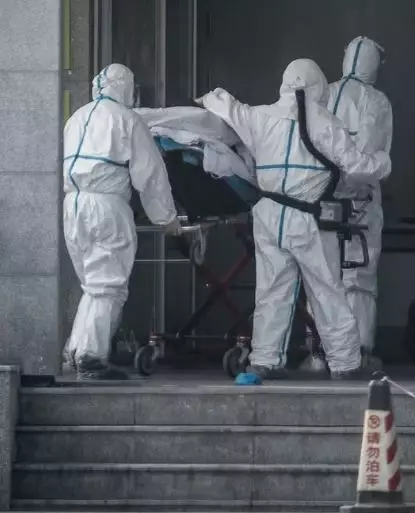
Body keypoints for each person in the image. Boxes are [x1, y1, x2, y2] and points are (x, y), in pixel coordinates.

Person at [197, 58, 391, 381]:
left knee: (271, 292)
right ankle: (345, 363)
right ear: (317, 85)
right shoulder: (325, 122)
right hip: (308, 219)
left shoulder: (260, 116)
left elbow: (229, 108)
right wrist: (383, 162)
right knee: (327, 291)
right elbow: (357, 167)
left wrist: (208, 98)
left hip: (269, 217)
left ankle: (264, 359)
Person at [63, 64, 181, 381]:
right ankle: (90, 357)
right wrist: (167, 218)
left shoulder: (76, 118)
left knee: (93, 284)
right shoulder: (127, 119)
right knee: (108, 285)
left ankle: (76, 350)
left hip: (73, 206)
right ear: (126, 87)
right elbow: (151, 175)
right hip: (107, 206)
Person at [325, 37, 394, 367]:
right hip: (362, 201)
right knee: (359, 276)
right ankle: (360, 351)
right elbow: (370, 150)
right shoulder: (376, 101)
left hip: (321, 199)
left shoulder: (325, 94)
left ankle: (322, 352)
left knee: (323, 274)